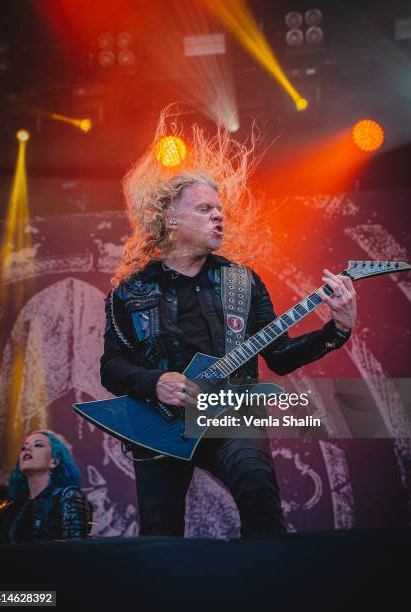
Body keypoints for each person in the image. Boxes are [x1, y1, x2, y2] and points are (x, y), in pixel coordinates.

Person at [100, 115, 357, 538]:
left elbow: (279, 355)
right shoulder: (130, 292)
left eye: (221, 210)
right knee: (160, 534)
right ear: (171, 219)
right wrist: (155, 382)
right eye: (204, 209)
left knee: (259, 494)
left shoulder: (242, 281)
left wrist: (336, 330)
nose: (219, 216)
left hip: (232, 413)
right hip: (157, 426)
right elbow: (111, 367)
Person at [0, 430, 92, 544]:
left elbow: (76, 550)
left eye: (38, 445)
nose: (27, 449)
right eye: (24, 448)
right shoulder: (12, 506)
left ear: (54, 461)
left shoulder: (68, 496)